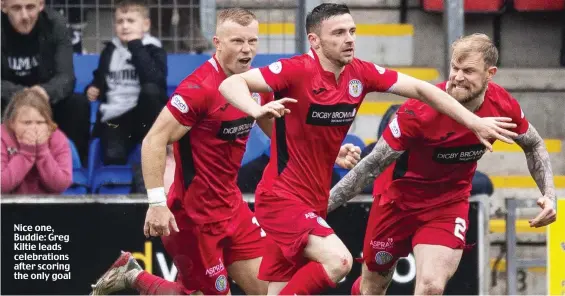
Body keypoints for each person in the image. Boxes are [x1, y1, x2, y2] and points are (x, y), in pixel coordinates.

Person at [217, 4, 519, 295]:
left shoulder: (360, 74)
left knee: (279, 289)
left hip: (314, 199)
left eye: (352, 31)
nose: (349, 39)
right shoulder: (295, 70)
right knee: (340, 261)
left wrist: (472, 122)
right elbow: (231, 86)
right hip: (281, 198)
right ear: (315, 41)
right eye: (338, 33)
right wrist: (254, 111)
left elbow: (422, 90)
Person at [90, 8, 362, 296]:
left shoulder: (256, 84)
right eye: (237, 42)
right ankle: (134, 276)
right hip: (194, 219)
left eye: (252, 41)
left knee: (266, 290)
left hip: (233, 209)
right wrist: (157, 203)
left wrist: (330, 154)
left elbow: (281, 135)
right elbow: (153, 141)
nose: (247, 50)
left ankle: (132, 274)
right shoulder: (198, 89)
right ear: (217, 42)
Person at [327, 33, 558, 295]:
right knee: (372, 288)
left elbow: (534, 144)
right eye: (454, 68)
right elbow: (371, 166)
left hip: (447, 206)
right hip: (396, 204)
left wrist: (549, 195)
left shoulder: (502, 105)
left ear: (490, 73)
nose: (457, 77)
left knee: (431, 286)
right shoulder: (419, 111)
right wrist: (323, 205)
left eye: (468, 71)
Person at [1, 0, 90, 164]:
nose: (25, 16)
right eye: (16, 8)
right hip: (7, 103)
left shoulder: (55, 24)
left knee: (78, 104)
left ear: (41, 5)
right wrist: (22, 95)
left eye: (30, 7)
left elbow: (66, 77)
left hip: (47, 101)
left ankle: (72, 166)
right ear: (3, 6)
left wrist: (44, 92)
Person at [86, 0, 167, 166]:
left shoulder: (153, 49)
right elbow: (101, 77)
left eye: (131, 21)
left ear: (145, 25)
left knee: (150, 91)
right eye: (120, 21)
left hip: (145, 116)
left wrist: (135, 45)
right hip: (116, 117)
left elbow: (154, 79)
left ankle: (153, 147)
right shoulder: (110, 50)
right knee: (112, 156)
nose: (125, 26)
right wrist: (93, 88)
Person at [1, 89, 72, 194]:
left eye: (40, 122)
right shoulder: (2, 136)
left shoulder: (57, 138)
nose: (33, 128)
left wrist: (43, 152)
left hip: (47, 206)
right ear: (12, 123)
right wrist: (26, 154)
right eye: (27, 123)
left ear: (48, 123)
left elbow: (61, 185)